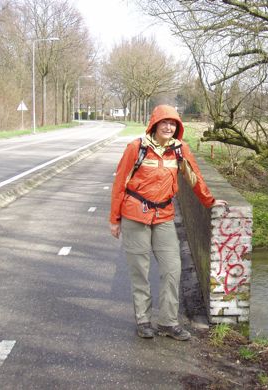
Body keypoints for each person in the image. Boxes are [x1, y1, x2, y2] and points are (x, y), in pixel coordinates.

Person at [110, 104, 226, 340]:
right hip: (135, 214)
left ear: (178, 127)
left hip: (163, 215)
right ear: (154, 124)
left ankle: (168, 322)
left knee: (172, 268)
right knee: (140, 271)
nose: (168, 126)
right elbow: (120, 183)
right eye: (164, 122)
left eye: (173, 123)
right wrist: (115, 219)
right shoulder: (137, 148)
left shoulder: (180, 150)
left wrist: (210, 201)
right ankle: (143, 320)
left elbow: (195, 178)